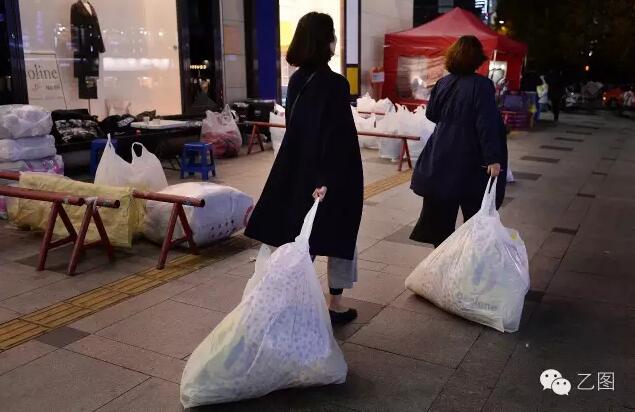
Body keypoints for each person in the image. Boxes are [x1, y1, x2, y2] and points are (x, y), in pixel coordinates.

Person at [244, 12, 363, 324]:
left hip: (298, 171)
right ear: (326, 41)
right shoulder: (336, 84)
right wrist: (327, 177)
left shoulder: (297, 80)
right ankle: (334, 303)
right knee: (338, 235)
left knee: (302, 235)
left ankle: (296, 299)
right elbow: (337, 138)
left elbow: (298, 129)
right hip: (333, 174)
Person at [409, 35, 508, 247]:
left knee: (442, 218)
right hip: (469, 157)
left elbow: (432, 114)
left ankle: (442, 263)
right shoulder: (482, 85)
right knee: (474, 216)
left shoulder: (443, 83)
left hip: (441, 152)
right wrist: (493, 158)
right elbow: (486, 123)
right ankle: (466, 264)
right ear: (477, 59)